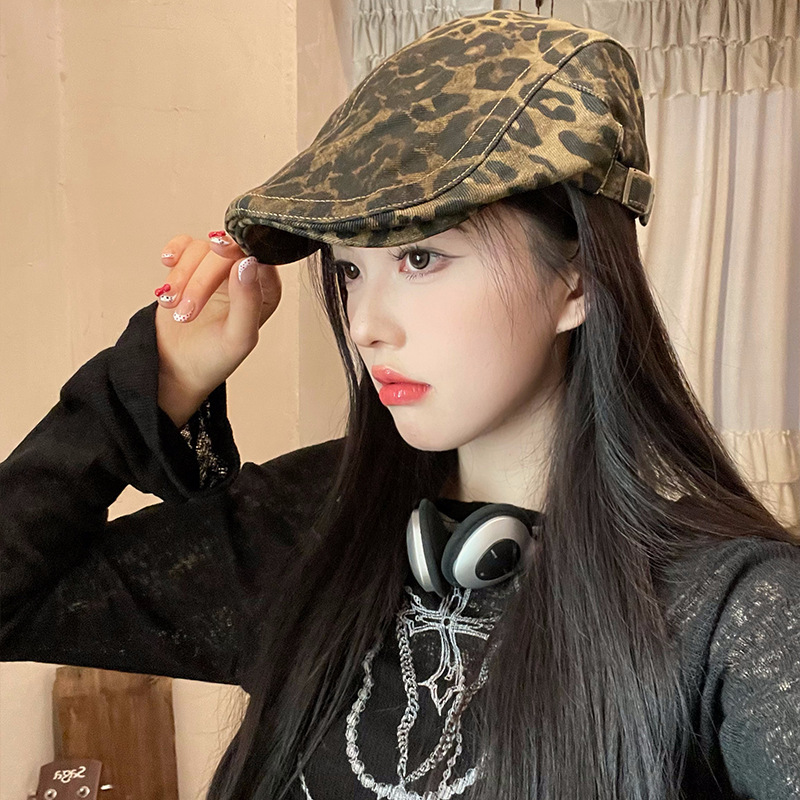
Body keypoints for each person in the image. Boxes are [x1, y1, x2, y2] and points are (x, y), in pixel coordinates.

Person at [2, 9, 799, 800]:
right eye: (350, 270)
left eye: (420, 258)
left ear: (577, 281)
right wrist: (153, 385)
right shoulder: (309, 532)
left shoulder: (733, 613)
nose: (365, 327)